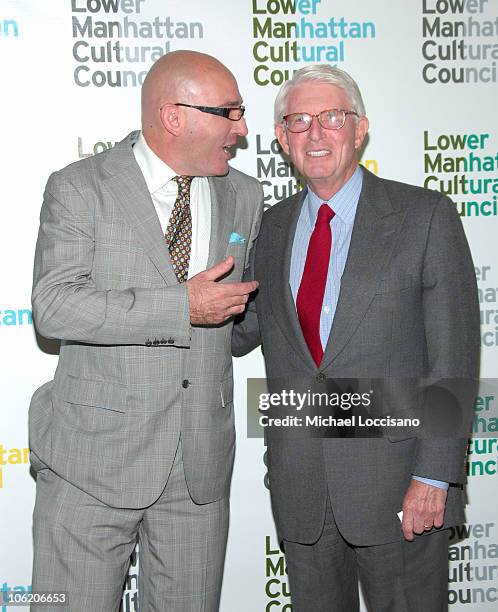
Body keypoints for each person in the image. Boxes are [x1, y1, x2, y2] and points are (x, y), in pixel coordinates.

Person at [233, 65, 479, 611]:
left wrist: (434, 475)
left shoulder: (424, 216)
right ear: (280, 138)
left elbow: (454, 359)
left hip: (401, 488)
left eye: (331, 117)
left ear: (360, 128)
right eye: (298, 120)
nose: (315, 133)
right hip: (302, 488)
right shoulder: (269, 228)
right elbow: (240, 333)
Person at [29, 50, 263, 611]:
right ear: (174, 116)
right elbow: (54, 307)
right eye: (228, 112)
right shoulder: (81, 187)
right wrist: (181, 306)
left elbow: (239, 318)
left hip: (199, 470)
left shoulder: (245, 194)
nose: (243, 129)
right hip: (91, 460)